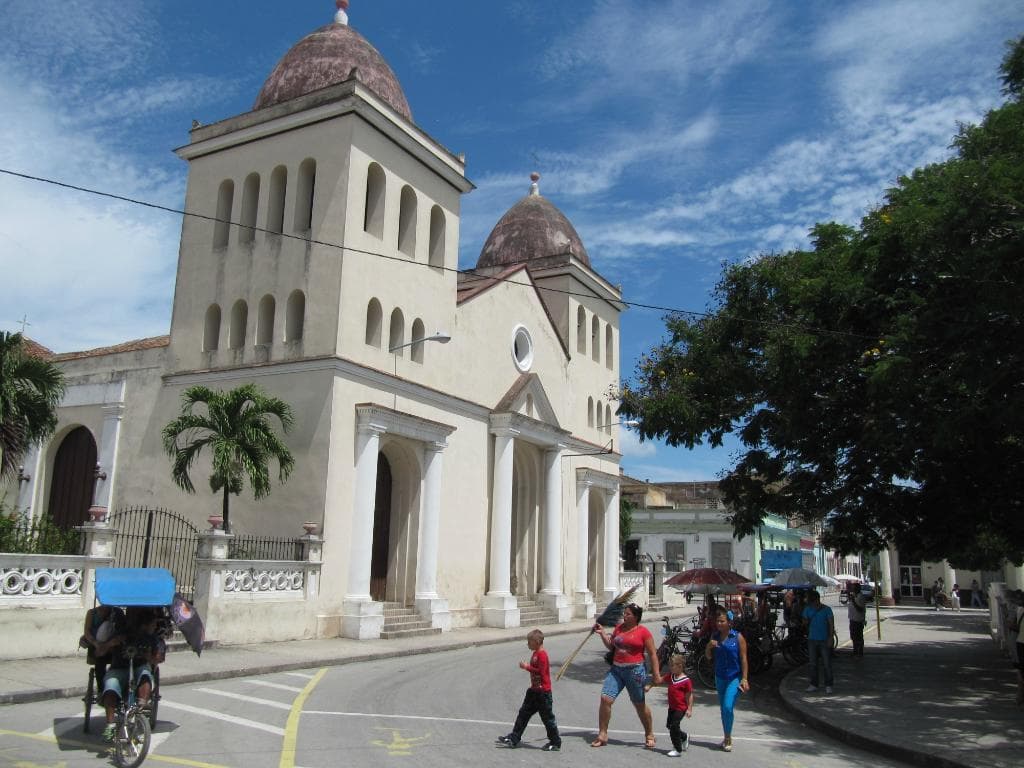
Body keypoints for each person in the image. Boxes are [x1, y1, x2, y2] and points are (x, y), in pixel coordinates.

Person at [592, 603, 662, 749]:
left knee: (639, 704)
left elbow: (653, 654)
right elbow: (612, 646)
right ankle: (602, 734)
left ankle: (649, 734)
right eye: (624, 613)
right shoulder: (619, 628)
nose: (625, 616)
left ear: (636, 617)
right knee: (605, 699)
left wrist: (656, 674)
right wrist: (602, 633)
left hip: (635, 672)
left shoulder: (643, 632)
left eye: (628, 614)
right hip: (617, 670)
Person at [100, 608, 165, 743]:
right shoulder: (122, 634)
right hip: (119, 668)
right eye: (152, 624)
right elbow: (99, 653)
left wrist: (148, 656)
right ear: (144, 625)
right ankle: (110, 724)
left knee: (145, 674)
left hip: (138, 667)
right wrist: (110, 644)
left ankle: (140, 708)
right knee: (111, 685)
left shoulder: (152, 639)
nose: (154, 627)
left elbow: (158, 658)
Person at [496, 629, 561, 751]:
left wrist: (527, 667)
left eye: (529, 642)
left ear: (536, 642)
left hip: (543, 693)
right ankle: (514, 737)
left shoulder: (542, 655)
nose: (528, 644)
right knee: (523, 714)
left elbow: (541, 673)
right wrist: (529, 667)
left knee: (547, 719)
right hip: (534, 691)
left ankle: (555, 742)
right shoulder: (535, 653)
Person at [705, 609, 748, 752]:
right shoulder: (715, 636)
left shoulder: (737, 637)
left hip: (734, 678)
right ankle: (726, 736)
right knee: (723, 708)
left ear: (729, 623)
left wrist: (745, 678)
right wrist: (708, 647)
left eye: (722, 621)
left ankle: (728, 737)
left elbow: (743, 659)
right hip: (720, 677)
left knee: (728, 706)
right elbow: (708, 657)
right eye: (717, 621)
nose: (719, 624)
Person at [647, 653, 693, 756]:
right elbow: (659, 680)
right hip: (672, 707)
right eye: (670, 665)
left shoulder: (686, 681)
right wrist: (649, 686)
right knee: (670, 726)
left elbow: (689, 695)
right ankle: (684, 737)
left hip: (681, 708)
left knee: (674, 726)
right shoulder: (670, 676)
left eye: (672, 665)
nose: (670, 668)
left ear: (680, 666)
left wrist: (689, 709)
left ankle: (677, 749)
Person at [81, 605, 124, 685]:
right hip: (96, 645)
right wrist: (96, 644)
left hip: (113, 645)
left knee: (118, 658)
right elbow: (87, 633)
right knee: (99, 662)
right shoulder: (92, 613)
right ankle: (101, 689)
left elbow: (121, 633)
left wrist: (108, 645)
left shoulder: (118, 612)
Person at [803, 590, 835, 693]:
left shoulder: (827, 609)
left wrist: (830, 637)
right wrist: (806, 621)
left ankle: (829, 684)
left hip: (824, 639)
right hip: (812, 639)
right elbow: (804, 622)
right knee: (813, 664)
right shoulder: (807, 609)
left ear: (817, 599)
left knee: (827, 664)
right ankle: (813, 684)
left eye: (813, 601)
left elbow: (831, 624)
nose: (812, 603)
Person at [847, 582, 867, 657]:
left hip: (857, 620)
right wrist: (851, 598)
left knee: (858, 637)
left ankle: (860, 652)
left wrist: (853, 600)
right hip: (852, 619)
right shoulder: (855, 596)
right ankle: (855, 651)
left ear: (857, 589)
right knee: (853, 637)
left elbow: (860, 609)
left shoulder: (860, 597)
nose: (852, 589)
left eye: (853, 588)